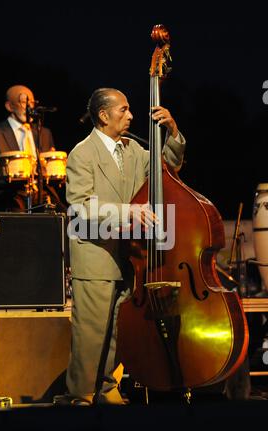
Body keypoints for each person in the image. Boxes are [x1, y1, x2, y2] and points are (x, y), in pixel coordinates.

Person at [65, 87, 186, 405]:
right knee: (91, 332)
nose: (131, 115)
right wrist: (128, 211)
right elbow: (79, 208)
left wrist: (172, 132)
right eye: (124, 110)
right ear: (104, 115)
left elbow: (168, 170)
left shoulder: (133, 150)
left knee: (117, 331)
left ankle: (106, 389)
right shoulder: (83, 153)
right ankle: (80, 394)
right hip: (95, 253)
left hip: (129, 255)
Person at [0, 84, 66, 212]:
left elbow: (51, 171)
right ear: (9, 106)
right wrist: (13, 175)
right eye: (24, 102)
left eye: (32, 102)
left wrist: (51, 170)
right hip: (10, 195)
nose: (29, 107)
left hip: (41, 194)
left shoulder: (44, 133)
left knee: (66, 216)